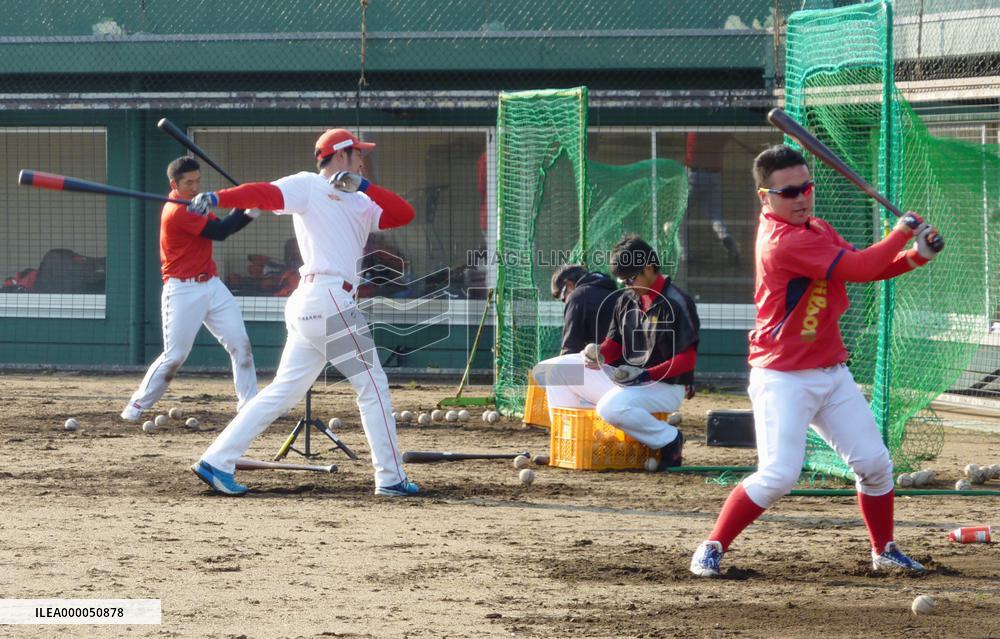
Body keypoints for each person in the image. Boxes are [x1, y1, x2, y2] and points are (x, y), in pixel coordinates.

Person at [689, 145, 941, 577]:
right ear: (765, 197)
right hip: (783, 377)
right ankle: (711, 546)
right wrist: (902, 233)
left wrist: (917, 256)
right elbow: (861, 267)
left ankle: (884, 549)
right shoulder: (782, 242)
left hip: (831, 373)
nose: (801, 197)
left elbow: (864, 267)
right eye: (789, 192)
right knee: (779, 475)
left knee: (875, 465)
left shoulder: (817, 228)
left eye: (806, 187)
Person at [186, 128, 418, 497]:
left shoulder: (361, 200)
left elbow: (404, 214)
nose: (363, 160)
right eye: (358, 153)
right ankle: (390, 478)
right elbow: (262, 193)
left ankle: (216, 460)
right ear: (340, 155)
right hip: (327, 298)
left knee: (283, 391)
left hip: (318, 303)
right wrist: (217, 197)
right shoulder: (308, 185)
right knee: (373, 386)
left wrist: (364, 186)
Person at [536, 236, 699, 469]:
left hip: (665, 386)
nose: (627, 285)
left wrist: (645, 375)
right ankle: (574, 444)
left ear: (648, 268)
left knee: (609, 408)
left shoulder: (676, 301)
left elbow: (687, 360)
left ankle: (669, 439)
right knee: (554, 370)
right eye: (623, 281)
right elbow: (614, 344)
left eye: (631, 278)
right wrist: (599, 353)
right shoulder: (627, 299)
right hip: (629, 380)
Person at [120, 156, 259, 422]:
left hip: (212, 285)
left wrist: (249, 211)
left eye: (197, 181)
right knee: (175, 356)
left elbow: (223, 226)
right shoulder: (177, 211)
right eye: (188, 183)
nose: (195, 187)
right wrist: (245, 207)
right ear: (174, 184)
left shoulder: (194, 204)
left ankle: (250, 405)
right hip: (183, 290)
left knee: (240, 345)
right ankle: (137, 405)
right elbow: (219, 231)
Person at [685, 132, 741, 266]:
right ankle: (725, 237)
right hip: (713, 176)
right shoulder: (719, 131)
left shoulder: (694, 131)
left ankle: (684, 254)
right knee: (715, 214)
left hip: (692, 175)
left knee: (680, 216)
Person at [550, 264, 622, 356]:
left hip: (601, 362)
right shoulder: (620, 294)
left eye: (563, 297)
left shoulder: (578, 296)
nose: (565, 302)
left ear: (569, 284)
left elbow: (570, 347)